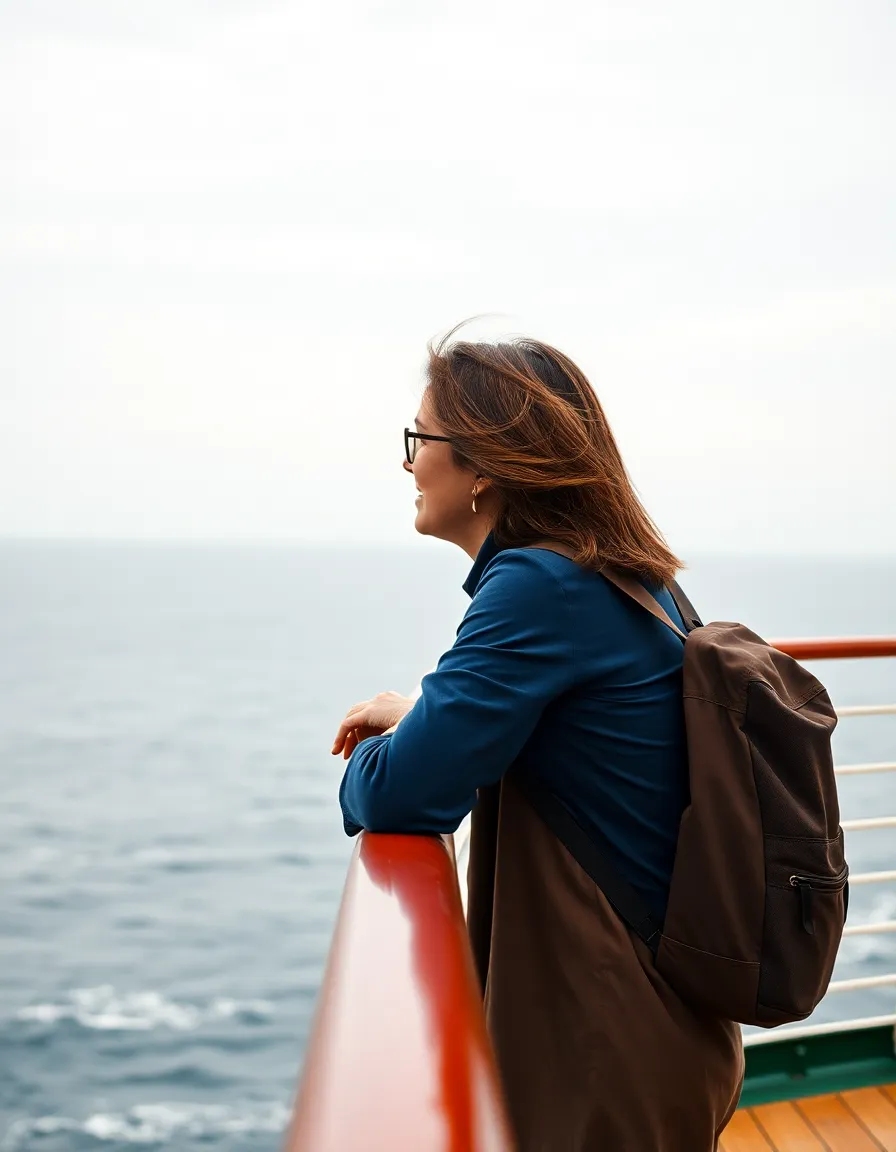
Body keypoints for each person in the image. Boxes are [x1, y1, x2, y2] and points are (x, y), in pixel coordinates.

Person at [332, 330, 744, 1151]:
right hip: (668, 1021)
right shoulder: (622, 575)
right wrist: (425, 714)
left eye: (420, 439)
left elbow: (399, 795)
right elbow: (573, 731)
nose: (408, 463)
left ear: (482, 465)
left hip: (607, 1041)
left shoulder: (537, 586)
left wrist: (379, 756)